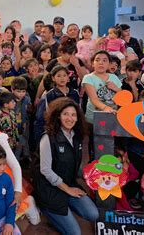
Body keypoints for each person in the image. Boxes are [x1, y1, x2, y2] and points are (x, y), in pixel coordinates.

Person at [32, 98, 98, 235]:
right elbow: (45, 170)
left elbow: (75, 165)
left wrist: (93, 177)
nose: (70, 118)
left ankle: (64, 210)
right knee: (75, 233)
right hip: (49, 190)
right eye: (65, 114)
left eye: (73, 115)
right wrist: (67, 189)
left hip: (68, 184)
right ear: (58, 116)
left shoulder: (76, 136)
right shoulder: (48, 137)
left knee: (93, 214)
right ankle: (45, 208)